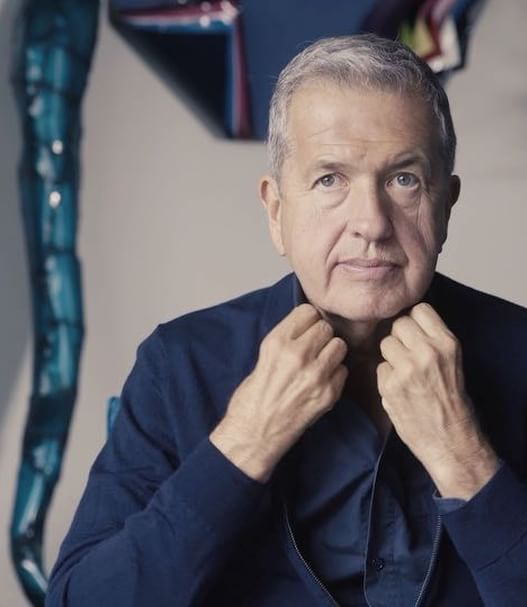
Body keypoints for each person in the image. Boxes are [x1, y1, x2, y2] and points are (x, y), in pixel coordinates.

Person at [46, 34, 527, 606]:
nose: (371, 223)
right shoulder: (180, 365)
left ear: (445, 205)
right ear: (276, 212)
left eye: (404, 179)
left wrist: (464, 458)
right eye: (330, 180)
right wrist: (246, 441)